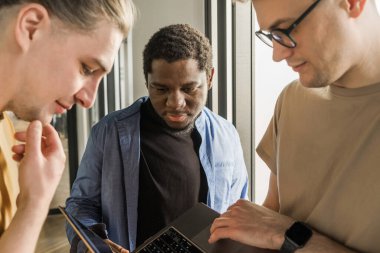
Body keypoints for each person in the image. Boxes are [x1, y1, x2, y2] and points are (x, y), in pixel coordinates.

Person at [209, 0, 380, 252]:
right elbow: (272, 212)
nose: (277, 55)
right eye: (271, 35)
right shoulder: (292, 99)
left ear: (352, 3)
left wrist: (291, 236)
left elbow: (276, 229)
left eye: (287, 30)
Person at [65, 23, 249, 253]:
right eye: (161, 89)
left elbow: (238, 212)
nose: (175, 103)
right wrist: (94, 244)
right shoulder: (109, 132)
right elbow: (82, 205)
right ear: (147, 82)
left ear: (210, 78)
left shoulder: (227, 136)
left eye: (189, 88)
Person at [0, 0, 135, 252]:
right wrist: (34, 207)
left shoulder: (6, 132)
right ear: (31, 27)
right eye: (86, 68)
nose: (88, 100)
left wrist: (31, 205)